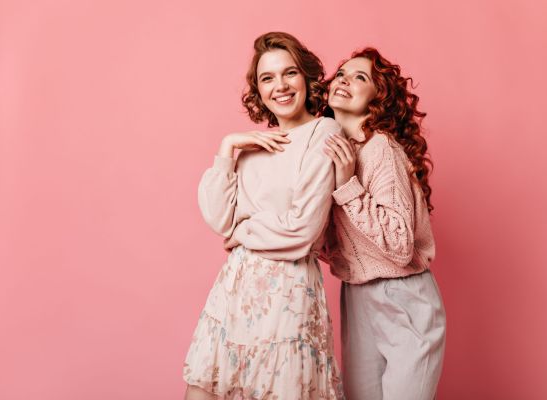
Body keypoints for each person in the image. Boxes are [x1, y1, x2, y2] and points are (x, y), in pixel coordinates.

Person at [183, 32, 344, 400]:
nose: (280, 87)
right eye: (267, 78)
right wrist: (228, 148)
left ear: (306, 77)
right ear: (257, 89)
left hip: (287, 296)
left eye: (290, 73)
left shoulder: (323, 132)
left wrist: (244, 233)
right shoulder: (255, 145)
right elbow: (221, 219)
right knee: (202, 390)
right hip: (235, 290)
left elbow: (302, 231)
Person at [321, 48, 446, 400]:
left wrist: (348, 186)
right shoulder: (334, 150)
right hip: (357, 295)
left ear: (379, 99)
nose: (344, 79)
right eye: (341, 73)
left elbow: (399, 244)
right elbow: (333, 242)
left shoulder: (381, 149)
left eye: (360, 77)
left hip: (404, 295)